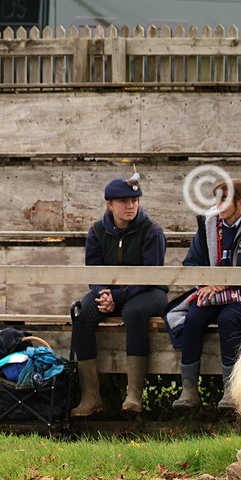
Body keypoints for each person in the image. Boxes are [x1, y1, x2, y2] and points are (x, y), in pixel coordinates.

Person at [171, 179, 241, 413]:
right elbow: (192, 262)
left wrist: (226, 281)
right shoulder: (208, 225)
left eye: (224, 199)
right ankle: (188, 389)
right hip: (212, 292)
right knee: (193, 318)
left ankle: (231, 389)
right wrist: (209, 282)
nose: (218, 205)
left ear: (240, 203)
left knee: (228, 320)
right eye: (216, 198)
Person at [70, 173, 167, 416]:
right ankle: (91, 398)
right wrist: (102, 293)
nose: (130, 206)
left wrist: (117, 297)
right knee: (82, 313)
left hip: (148, 291)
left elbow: (150, 276)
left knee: (133, 312)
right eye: (123, 201)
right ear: (110, 205)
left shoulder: (151, 231)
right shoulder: (97, 231)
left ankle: (134, 395)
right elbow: (94, 270)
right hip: (112, 292)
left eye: (134, 201)